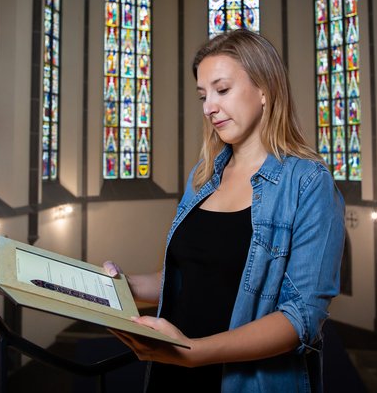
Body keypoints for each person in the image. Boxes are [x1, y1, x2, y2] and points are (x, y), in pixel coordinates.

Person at [104, 29, 345, 392]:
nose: (208, 107)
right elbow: (190, 276)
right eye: (203, 95)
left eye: (222, 90)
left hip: (243, 382)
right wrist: (124, 283)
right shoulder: (203, 176)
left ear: (265, 89)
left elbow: (302, 317)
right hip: (171, 372)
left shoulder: (309, 184)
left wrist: (194, 352)